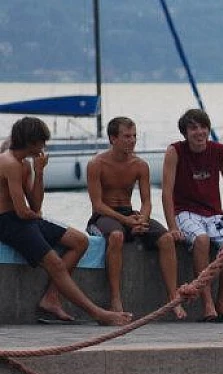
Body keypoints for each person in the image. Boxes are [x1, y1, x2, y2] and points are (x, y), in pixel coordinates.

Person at [0, 117, 132, 326]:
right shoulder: (9, 163)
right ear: (30, 141)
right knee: (54, 263)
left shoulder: (24, 164)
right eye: (41, 142)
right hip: (7, 222)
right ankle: (99, 313)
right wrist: (37, 217)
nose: (44, 147)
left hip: (23, 219)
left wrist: (40, 172)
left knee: (80, 241)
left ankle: (51, 298)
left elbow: (34, 205)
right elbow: (23, 212)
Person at [86, 116, 186, 320]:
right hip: (104, 215)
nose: (132, 141)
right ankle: (115, 298)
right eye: (126, 137)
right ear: (113, 138)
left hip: (130, 213)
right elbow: (97, 204)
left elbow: (147, 201)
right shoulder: (97, 164)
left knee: (166, 239)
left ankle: (173, 297)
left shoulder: (140, 165)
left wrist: (142, 219)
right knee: (116, 236)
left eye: (134, 136)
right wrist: (126, 222)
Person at [161, 109, 223, 322]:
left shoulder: (221, 151)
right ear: (185, 133)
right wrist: (172, 226)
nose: (199, 132)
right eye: (193, 128)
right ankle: (207, 303)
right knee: (202, 240)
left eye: (203, 127)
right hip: (186, 212)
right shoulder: (175, 151)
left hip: (213, 213)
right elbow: (167, 192)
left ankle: (222, 301)